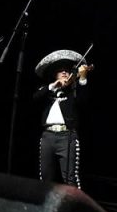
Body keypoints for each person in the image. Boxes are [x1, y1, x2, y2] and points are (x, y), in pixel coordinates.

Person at [34, 50, 91, 188]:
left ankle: (74, 208)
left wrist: (82, 79)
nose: (64, 73)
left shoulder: (73, 91)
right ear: (55, 74)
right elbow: (35, 98)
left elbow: (83, 102)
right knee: (45, 178)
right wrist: (54, 86)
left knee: (70, 179)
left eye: (66, 70)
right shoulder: (47, 90)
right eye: (60, 71)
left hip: (67, 136)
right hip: (48, 136)